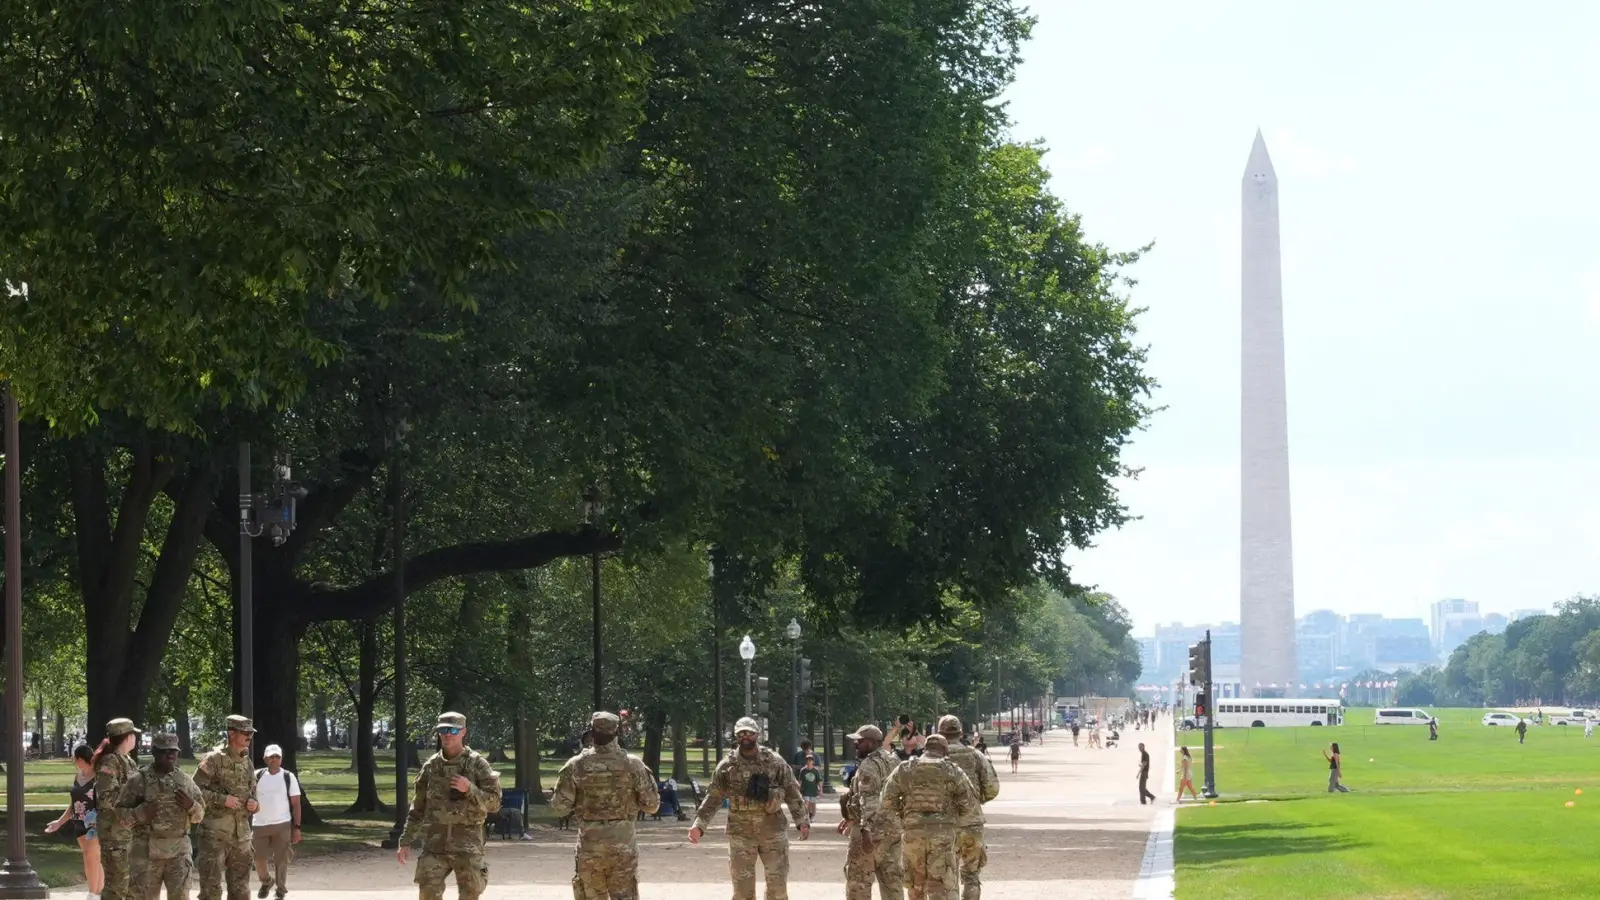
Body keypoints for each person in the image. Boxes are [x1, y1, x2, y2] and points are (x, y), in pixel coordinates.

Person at [689, 717, 808, 900]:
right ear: (736, 736)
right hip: (740, 835)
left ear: (757, 735)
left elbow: (792, 792)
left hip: (773, 832)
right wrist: (699, 825)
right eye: (741, 733)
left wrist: (802, 821)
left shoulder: (774, 762)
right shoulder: (727, 766)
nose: (745, 737)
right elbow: (713, 797)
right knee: (742, 890)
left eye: (749, 733)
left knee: (777, 887)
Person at [550, 711, 658, 900]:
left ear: (592, 732)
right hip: (623, 845)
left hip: (590, 845)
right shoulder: (633, 765)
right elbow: (652, 806)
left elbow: (559, 808)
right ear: (617, 733)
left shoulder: (576, 765)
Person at [395, 712, 503, 900]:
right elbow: (418, 808)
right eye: (443, 730)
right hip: (436, 842)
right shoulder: (431, 766)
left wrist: (470, 789)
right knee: (427, 893)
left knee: (470, 894)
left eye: (453, 730)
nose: (447, 734)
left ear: (463, 732)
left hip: (468, 844)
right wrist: (405, 841)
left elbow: (495, 804)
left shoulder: (477, 764)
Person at [882, 734, 977, 900]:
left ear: (924, 749)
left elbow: (886, 800)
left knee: (915, 886)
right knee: (940, 886)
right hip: (942, 835)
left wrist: (906, 815)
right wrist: (950, 816)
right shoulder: (952, 770)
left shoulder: (905, 769)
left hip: (913, 834)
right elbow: (968, 804)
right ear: (944, 750)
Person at [120, 733, 205, 899]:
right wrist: (141, 813)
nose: (170, 755)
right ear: (154, 752)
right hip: (146, 853)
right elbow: (120, 816)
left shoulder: (185, 781)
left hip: (179, 853)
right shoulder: (138, 781)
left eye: (173, 751)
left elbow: (200, 815)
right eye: (164, 751)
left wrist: (191, 806)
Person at [194, 716, 260, 900]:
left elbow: (253, 792)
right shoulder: (214, 759)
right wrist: (222, 800)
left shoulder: (247, 762)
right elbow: (195, 790)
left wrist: (254, 804)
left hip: (241, 836)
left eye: (250, 733)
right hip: (215, 835)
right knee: (211, 890)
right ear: (231, 733)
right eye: (245, 732)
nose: (249, 736)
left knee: (241, 889)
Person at [836, 724, 903, 900]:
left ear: (871, 743)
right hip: (893, 830)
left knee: (858, 881)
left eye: (859, 741)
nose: (855, 745)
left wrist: (866, 831)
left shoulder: (869, 765)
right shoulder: (894, 760)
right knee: (892, 881)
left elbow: (870, 799)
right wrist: (850, 816)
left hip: (870, 833)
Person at [937, 716, 998, 900]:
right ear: (960, 732)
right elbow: (992, 788)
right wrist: (977, 800)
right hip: (971, 822)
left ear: (939, 733)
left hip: (941, 824)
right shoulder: (975, 755)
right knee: (971, 876)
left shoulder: (932, 758)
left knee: (946, 876)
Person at [46, 743, 105, 899]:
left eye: (75, 759)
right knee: (92, 857)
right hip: (78, 822)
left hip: (94, 823)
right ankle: (98, 893)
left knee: (90, 857)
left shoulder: (99, 777)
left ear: (81, 759)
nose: (74, 762)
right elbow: (73, 804)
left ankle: (93, 894)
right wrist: (59, 822)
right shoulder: (78, 776)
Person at [95, 718, 143, 900]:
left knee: (130, 886)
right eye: (134, 735)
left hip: (128, 834)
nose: (135, 739)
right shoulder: (110, 762)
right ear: (127, 737)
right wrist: (134, 801)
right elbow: (106, 798)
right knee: (116, 886)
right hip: (114, 835)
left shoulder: (128, 761)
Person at [251, 745, 302, 900]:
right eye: (271, 757)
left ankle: (280, 890)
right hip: (259, 824)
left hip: (282, 824)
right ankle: (266, 881)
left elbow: (296, 804)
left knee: (281, 860)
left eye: (277, 757)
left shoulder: (288, 777)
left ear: (281, 758)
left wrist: (297, 827)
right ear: (265, 758)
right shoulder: (257, 775)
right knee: (258, 859)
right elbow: (249, 796)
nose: (274, 759)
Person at [797, 756, 821, 823]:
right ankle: (806, 816)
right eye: (807, 760)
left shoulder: (815, 771)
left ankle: (813, 816)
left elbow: (819, 781)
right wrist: (798, 789)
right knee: (806, 803)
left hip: (813, 790)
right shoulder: (803, 770)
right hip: (805, 789)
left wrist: (821, 790)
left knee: (813, 803)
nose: (809, 762)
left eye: (810, 760)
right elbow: (800, 781)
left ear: (813, 762)